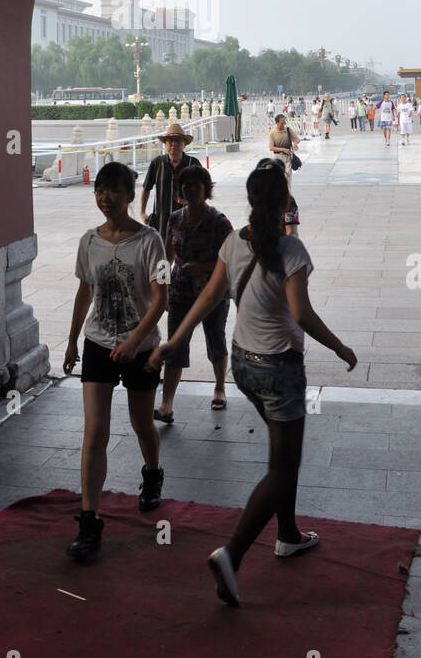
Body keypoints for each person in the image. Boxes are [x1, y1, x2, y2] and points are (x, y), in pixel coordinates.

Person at [147, 162, 357, 607]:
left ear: (250, 200)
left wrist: (175, 341)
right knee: (283, 466)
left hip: (243, 365)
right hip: (279, 370)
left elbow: (208, 297)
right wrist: (340, 348)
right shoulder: (291, 250)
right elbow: (300, 314)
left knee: (284, 458)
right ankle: (232, 553)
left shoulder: (232, 242)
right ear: (285, 203)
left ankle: (288, 535)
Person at [63, 163, 169, 560]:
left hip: (140, 349)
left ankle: (152, 473)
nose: (105, 198)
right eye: (100, 190)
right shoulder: (88, 241)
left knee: (142, 423)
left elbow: (161, 300)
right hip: (97, 344)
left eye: (113, 191)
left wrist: (134, 342)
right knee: (95, 432)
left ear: (130, 195)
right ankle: (89, 523)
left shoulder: (150, 241)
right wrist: (72, 340)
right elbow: (84, 291)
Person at [156, 166, 233, 421]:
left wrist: (203, 266)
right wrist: (160, 285)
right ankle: (166, 404)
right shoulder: (175, 218)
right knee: (175, 344)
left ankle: (220, 387)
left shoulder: (218, 221)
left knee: (215, 339)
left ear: (206, 189)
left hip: (212, 292)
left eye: (196, 185)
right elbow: (167, 254)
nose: (190, 189)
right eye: (186, 185)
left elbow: (232, 258)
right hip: (179, 292)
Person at [139, 122, 202, 239]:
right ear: (165, 144)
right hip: (161, 223)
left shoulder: (193, 164)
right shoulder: (157, 163)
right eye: (170, 140)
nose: (173, 144)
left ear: (184, 144)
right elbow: (146, 188)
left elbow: (204, 190)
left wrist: (190, 201)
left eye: (178, 141)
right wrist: (142, 212)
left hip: (187, 221)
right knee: (162, 255)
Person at [269, 112, 299, 185]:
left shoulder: (288, 130)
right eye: (281, 123)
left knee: (287, 179)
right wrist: (283, 149)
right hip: (277, 158)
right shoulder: (272, 133)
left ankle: (287, 194)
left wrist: (295, 143)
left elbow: (297, 139)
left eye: (284, 123)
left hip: (287, 158)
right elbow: (271, 148)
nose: (283, 125)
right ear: (276, 122)